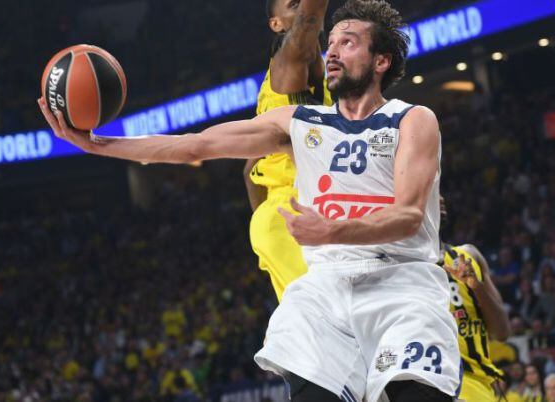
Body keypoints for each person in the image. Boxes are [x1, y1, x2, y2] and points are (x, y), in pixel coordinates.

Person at [37, 1, 460, 401]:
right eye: (330, 42)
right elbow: (194, 146)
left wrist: (332, 229)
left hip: (400, 283)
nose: (330, 51)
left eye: (346, 43)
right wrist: (98, 146)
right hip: (327, 286)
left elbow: (406, 217)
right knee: (303, 332)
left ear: (381, 61)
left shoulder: (412, 119)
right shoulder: (298, 121)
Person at [244, 0, 333, 301]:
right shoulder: (288, 63)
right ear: (277, 24)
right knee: (330, 319)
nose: (304, 8)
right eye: (294, 5)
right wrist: (280, 218)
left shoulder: (308, 74)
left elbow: (248, 171)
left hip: (294, 211)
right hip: (292, 209)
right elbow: (311, 17)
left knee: (311, 328)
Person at [440, 199, 512, 402]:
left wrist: (475, 285)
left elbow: (502, 331)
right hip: (434, 380)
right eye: (430, 193)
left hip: (476, 385)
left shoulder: (469, 255)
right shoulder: (406, 266)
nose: (441, 198)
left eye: (437, 192)